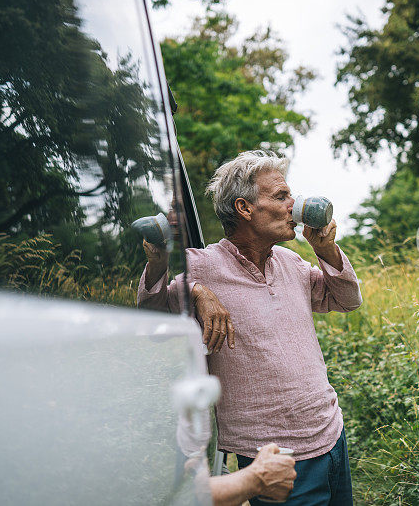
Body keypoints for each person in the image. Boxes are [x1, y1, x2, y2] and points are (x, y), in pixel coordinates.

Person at [139, 150, 362, 505]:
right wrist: (194, 289)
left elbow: (346, 299)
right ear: (244, 208)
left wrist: (328, 250)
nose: (294, 204)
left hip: (331, 433)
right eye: (281, 196)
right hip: (272, 459)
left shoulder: (291, 261)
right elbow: (151, 311)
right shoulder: (202, 266)